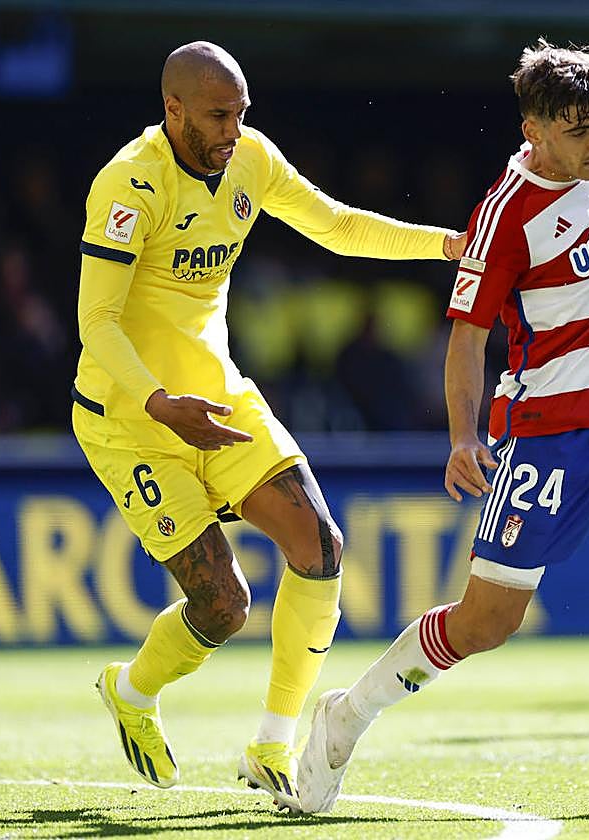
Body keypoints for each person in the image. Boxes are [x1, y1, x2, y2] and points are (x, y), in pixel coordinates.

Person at [296, 39, 589, 813]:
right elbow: (466, 334)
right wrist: (463, 436)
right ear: (534, 131)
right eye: (578, 131)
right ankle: (344, 718)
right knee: (488, 622)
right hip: (547, 438)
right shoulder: (505, 216)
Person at [78, 41, 465, 812]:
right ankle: (130, 688)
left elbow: (339, 225)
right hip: (130, 421)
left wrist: (447, 244)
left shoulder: (250, 158)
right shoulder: (128, 184)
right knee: (224, 606)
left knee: (320, 548)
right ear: (174, 109)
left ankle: (272, 744)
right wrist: (159, 403)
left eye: (242, 112)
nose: (234, 129)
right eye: (219, 115)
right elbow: (98, 321)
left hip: (219, 401)